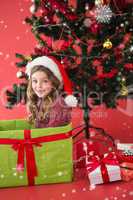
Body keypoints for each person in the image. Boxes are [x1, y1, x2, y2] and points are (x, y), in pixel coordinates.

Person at [26, 56, 78, 128]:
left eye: (45, 81)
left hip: (53, 138)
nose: (39, 86)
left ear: (54, 82)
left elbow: (52, 133)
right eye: (35, 81)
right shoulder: (41, 99)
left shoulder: (58, 104)